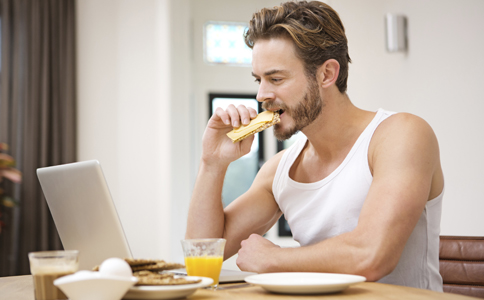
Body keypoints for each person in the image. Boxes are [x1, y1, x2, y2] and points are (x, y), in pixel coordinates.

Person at [186, 0, 444, 291]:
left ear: (326, 74)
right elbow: (203, 258)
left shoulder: (401, 136)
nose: (261, 94)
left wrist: (275, 259)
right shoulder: (280, 171)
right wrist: (211, 163)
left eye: (276, 78)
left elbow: (371, 255)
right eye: (259, 80)